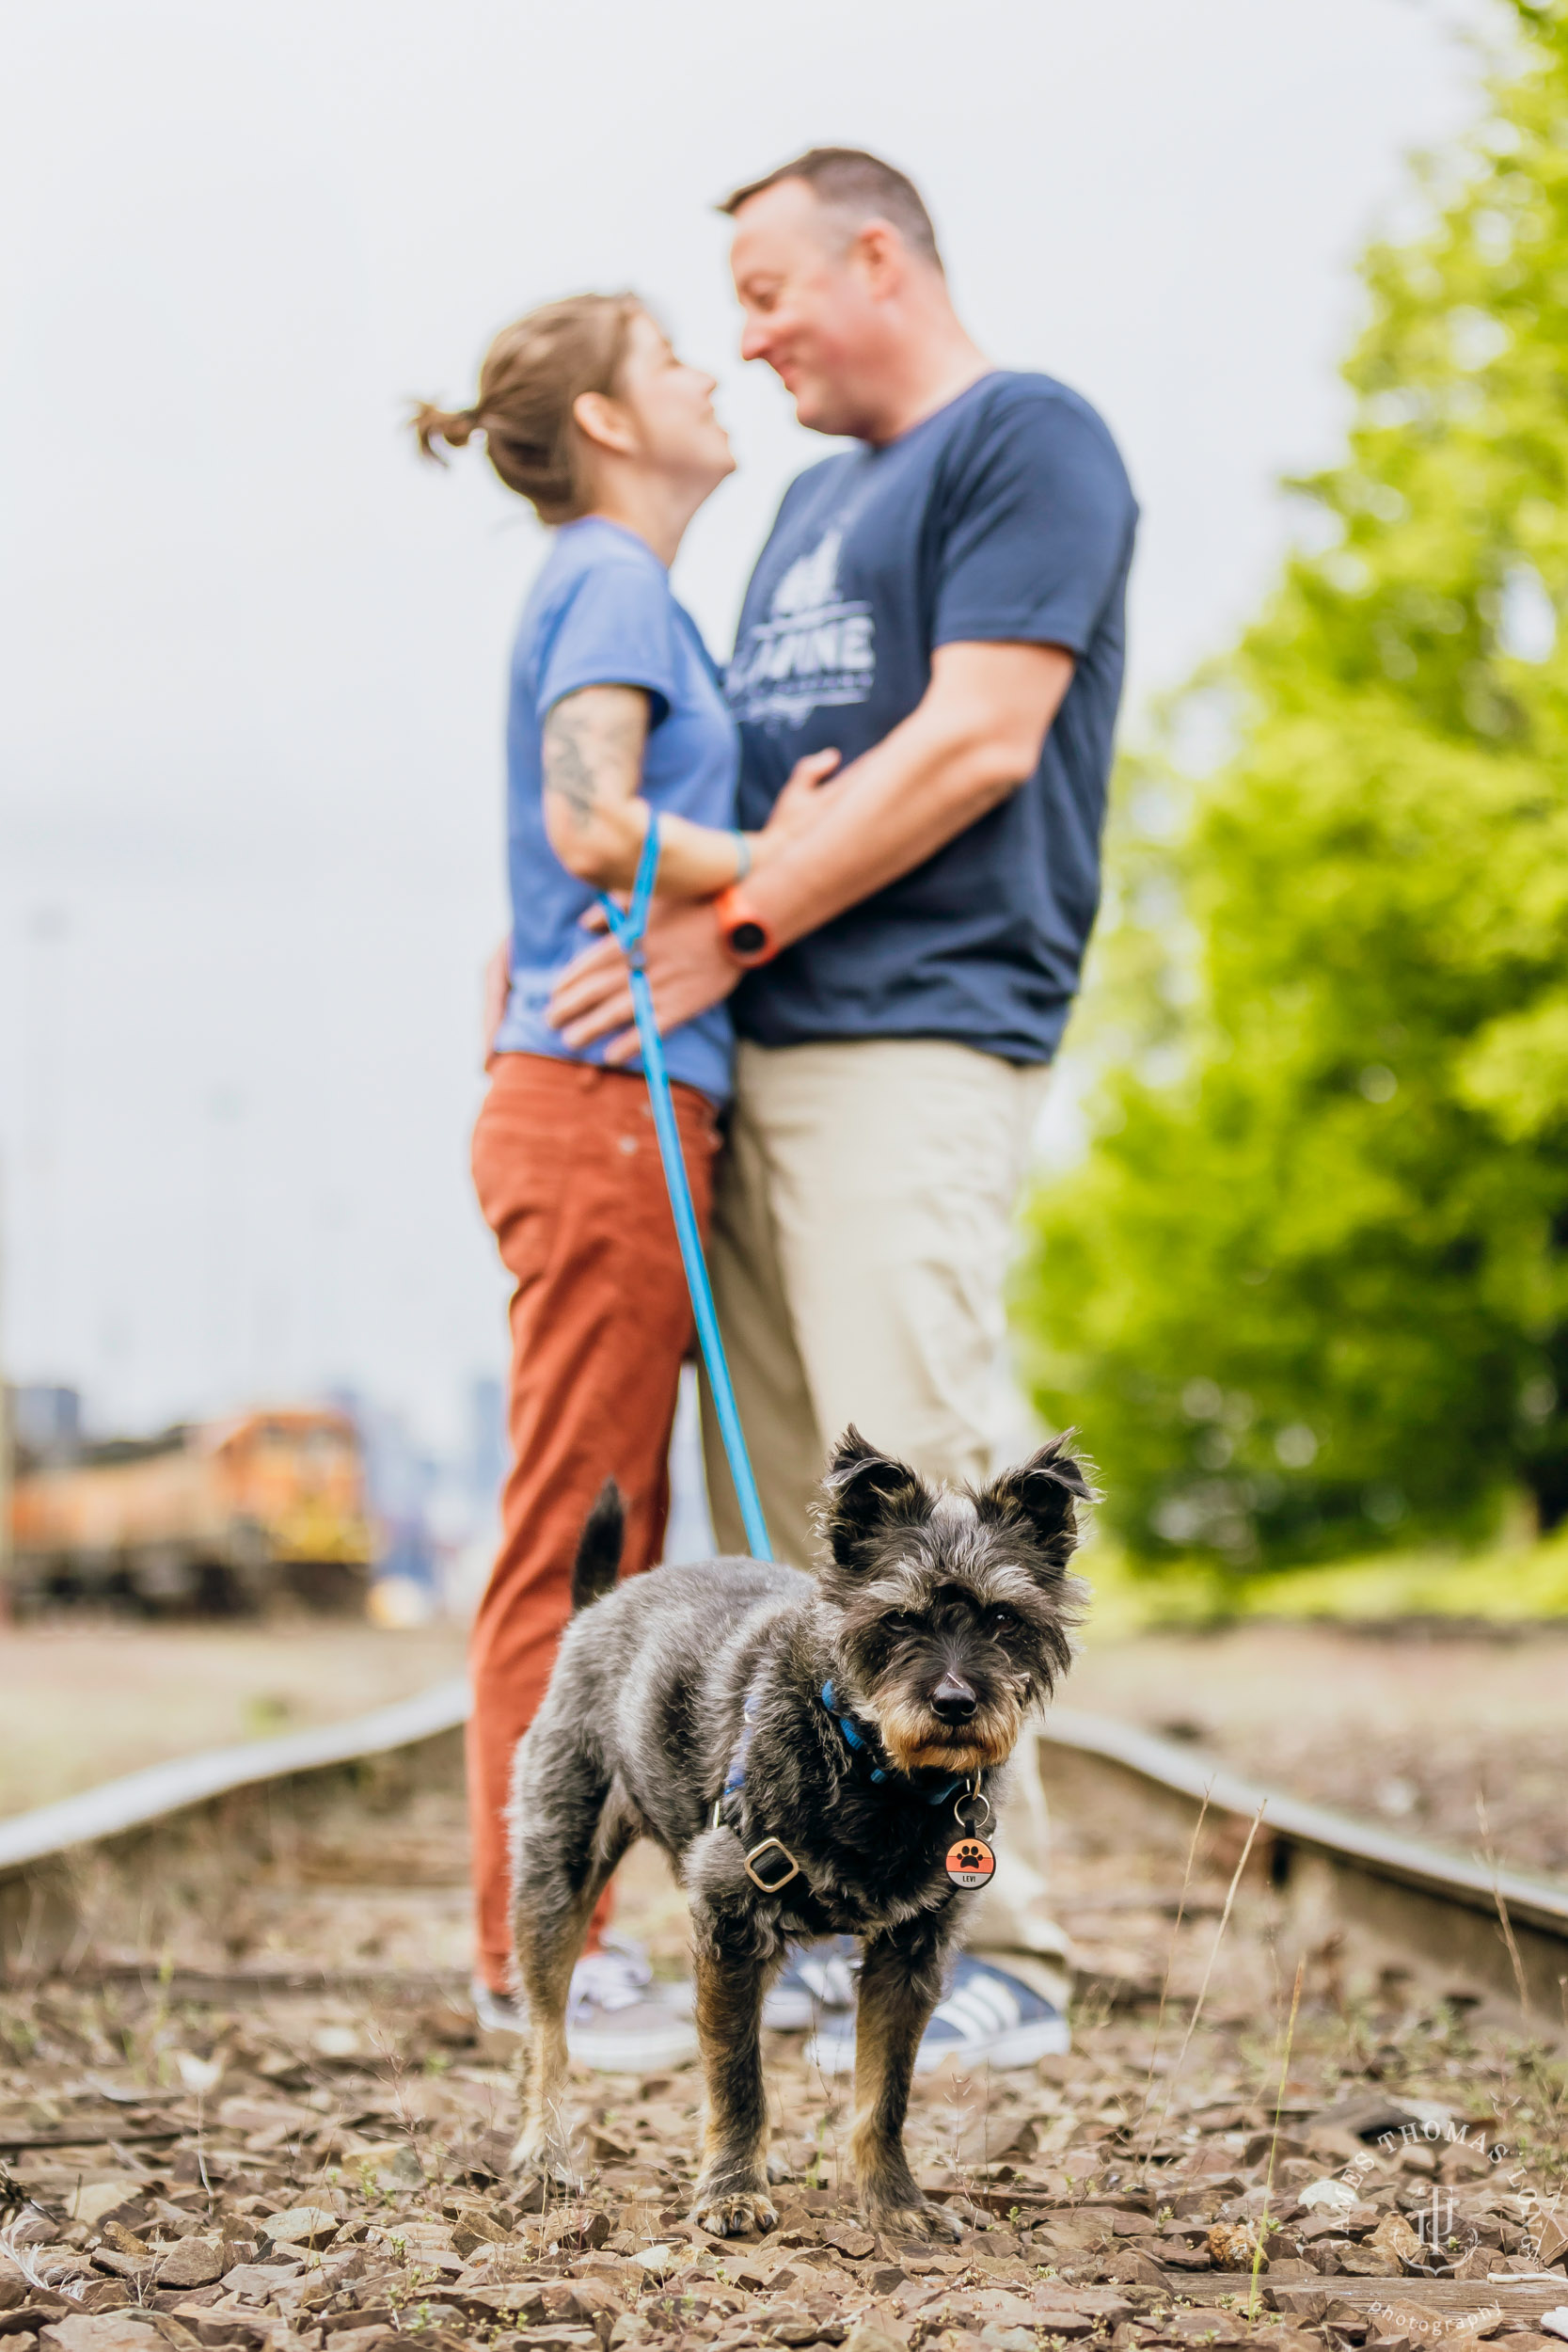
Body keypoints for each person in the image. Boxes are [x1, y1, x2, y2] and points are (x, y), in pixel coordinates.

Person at [547, 148, 1139, 2073]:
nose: (748, 332)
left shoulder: (1024, 438)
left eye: (768, 285)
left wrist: (734, 924)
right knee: (827, 1533)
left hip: (915, 1029)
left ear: (876, 255)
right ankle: (833, 1914)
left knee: (949, 1477)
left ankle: (1009, 1947)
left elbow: (979, 736)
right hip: (765, 1035)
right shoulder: (803, 504)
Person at [412, 294, 837, 2069]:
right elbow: (590, 821)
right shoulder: (608, 580)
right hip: (602, 1114)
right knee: (582, 1552)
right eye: (675, 359)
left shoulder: (629, 590)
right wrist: (789, 851)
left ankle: (573, 1947)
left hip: (618, 1106)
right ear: (601, 418)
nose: (714, 373)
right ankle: (539, 1962)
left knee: (623, 1540)